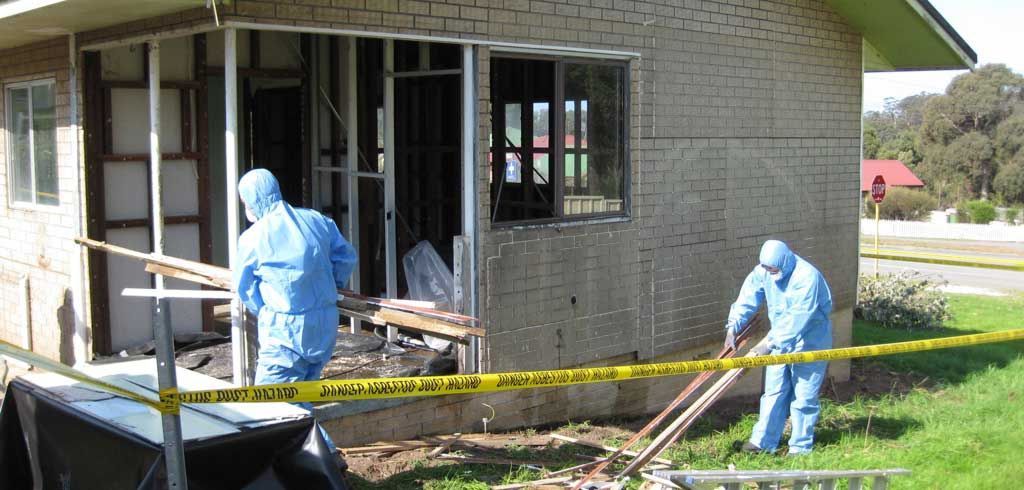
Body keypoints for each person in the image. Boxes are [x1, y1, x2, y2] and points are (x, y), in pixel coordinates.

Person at [233, 169, 357, 447]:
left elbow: (245, 288)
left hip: (285, 332)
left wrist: (264, 310)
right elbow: (346, 257)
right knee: (298, 400)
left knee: (269, 402)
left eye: (245, 202)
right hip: (323, 326)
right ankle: (306, 468)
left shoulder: (252, 239)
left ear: (252, 200)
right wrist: (330, 285)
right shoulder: (316, 220)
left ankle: (328, 457)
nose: (247, 209)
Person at [723, 240, 832, 455]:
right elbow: (748, 296)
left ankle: (800, 448)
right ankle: (763, 442)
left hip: (810, 340)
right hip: (779, 340)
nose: (771, 273)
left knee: (803, 396)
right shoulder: (764, 271)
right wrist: (733, 326)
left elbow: (798, 318)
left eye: (774, 269)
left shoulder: (807, 277)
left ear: (785, 261)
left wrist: (768, 343)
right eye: (767, 269)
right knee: (774, 390)